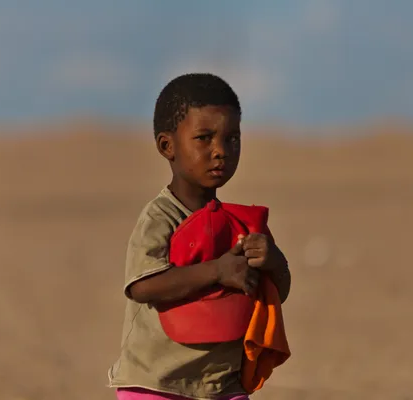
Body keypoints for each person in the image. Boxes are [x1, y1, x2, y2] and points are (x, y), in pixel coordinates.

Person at [107, 73, 291, 400]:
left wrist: (273, 260)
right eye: (204, 138)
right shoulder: (160, 217)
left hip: (222, 384)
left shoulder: (242, 224)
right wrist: (218, 271)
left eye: (231, 138)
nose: (220, 150)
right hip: (157, 382)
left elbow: (275, 293)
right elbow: (142, 286)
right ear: (168, 146)